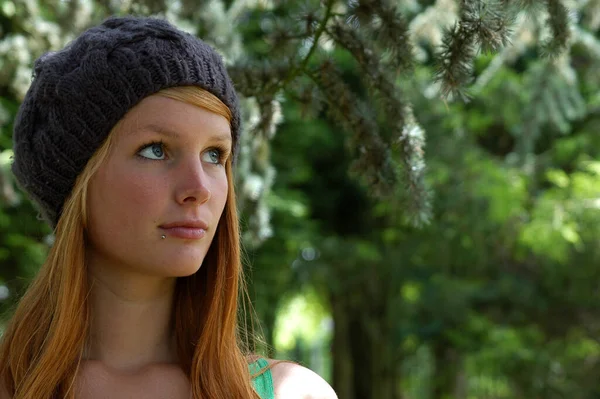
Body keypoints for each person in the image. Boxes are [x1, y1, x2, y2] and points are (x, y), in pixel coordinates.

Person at [0, 15, 337, 399]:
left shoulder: (291, 393)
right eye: (156, 150)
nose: (199, 188)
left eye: (214, 154)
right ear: (76, 182)